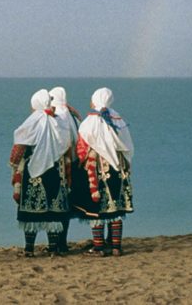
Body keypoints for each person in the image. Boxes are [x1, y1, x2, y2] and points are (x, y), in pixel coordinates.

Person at [10, 89, 72, 257]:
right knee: (53, 211)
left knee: (32, 212)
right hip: (55, 172)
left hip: (33, 173)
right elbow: (67, 146)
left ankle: (29, 249)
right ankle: (53, 247)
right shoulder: (59, 124)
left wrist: (14, 166)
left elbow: (19, 148)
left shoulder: (31, 124)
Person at [73, 87, 134, 257]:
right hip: (118, 167)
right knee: (115, 208)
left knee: (97, 208)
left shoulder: (90, 121)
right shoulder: (118, 119)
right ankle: (116, 246)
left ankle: (98, 247)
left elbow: (82, 147)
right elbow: (128, 145)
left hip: (98, 167)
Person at [49, 86, 82, 254]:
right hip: (75, 165)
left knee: (56, 205)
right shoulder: (71, 115)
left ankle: (55, 243)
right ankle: (63, 242)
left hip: (60, 166)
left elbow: (61, 141)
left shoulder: (58, 116)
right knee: (67, 207)